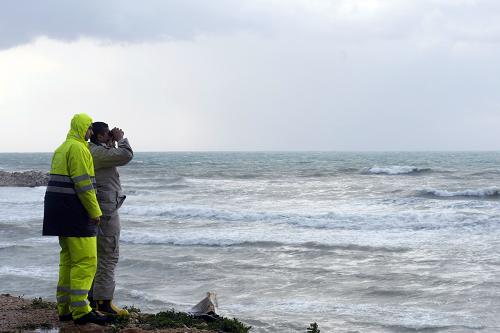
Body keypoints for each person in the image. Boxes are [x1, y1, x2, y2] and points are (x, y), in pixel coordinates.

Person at [43, 113, 108, 325]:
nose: (91, 132)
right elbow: (84, 185)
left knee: (68, 261)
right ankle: (81, 311)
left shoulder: (62, 148)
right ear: (83, 128)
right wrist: (95, 211)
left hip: (57, 212)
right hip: (75, 212)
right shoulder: (80, 149)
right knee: (86, 261)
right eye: (89, 128)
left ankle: (65, 308)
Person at [88, 122, 133, 316]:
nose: (111, 135)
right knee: (108, 255)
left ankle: (92, 300)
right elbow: (125, 156)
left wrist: (111, 142)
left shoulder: (94, 150)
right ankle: (104, 303)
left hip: (100, 208)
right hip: (106, 210)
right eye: (107, 133)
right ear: (99, 137)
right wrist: (122, 139)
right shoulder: (96, 153)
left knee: (97, 256)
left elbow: (110, 157)